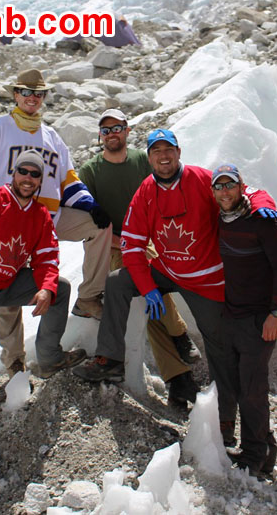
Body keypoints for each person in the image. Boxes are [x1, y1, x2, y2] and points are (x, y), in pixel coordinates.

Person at [73, 129, 277, 397]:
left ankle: (224, 399)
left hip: (206, 279)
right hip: (167, 270)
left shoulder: (202, 179)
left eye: (168, 149)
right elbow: (133, 245)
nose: (163, 156)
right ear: (149, 158)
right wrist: (148, 288)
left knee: (219, 343)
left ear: (179, 152)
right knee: (117, 282)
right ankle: (110, 359)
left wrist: (263, 205)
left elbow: (248, 190)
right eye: (156, 151)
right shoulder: (146, 191)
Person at [0, 68, 113, 377]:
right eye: (27, 92)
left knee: (100, 227)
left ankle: (88, 296)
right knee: (8, 293)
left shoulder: (52, 137)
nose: (33, 98)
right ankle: (14, 360)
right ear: (16, 95)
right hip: (6, 224)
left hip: (47, 220)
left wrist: (89, 205)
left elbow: (68, 180)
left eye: (39, 94)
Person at [0, 150, 87, 455]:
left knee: (60, 289)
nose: (28, 178)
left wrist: (46, 289)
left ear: (40, 180)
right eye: (23, 171)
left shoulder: (38, 215)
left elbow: (47, 257)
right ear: (13, 173)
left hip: (7, 283)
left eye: (35, 174)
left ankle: (49, 359)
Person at [78, 109, 201, 407]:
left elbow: (160, 196)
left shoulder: (140, 161)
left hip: (146, 241)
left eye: (117, 128)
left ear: (127, 130)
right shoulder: (91, 170)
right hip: (110, 247)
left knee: (148, 290)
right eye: (106, 130)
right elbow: (86, 217)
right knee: (147, 296)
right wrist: (117, 240)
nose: (112, 134)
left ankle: (179, 374)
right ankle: (180, 353)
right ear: (100, 135)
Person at [211, 163, 277, 477]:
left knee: (252, 390)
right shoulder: (220, 217)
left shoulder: (261, 221)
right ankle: (264, 448)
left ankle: (254, 457)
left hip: (260, 319)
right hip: (232, 315)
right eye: (218, 186)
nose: (224, 191)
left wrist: (276, 313)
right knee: (237, 386)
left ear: (241, 186)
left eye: (229, 185)